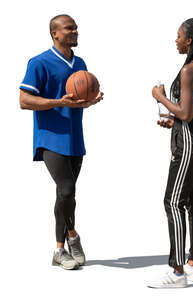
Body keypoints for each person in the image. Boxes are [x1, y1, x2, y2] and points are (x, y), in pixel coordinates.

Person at [19, 14, 103, 270]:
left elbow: (76, 101)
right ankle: (70, 237)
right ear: (54, 33)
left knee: (67, 196)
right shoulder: (39, 63)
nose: (75, 31)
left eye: (76, 27)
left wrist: (88, 102)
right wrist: (59, 102)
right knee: (66, 189)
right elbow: (24, 101)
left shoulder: (80, 63)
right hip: (49, 138)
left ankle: (61, 248)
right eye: (69, 28)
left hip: (75, 138)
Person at [149, 18, 193, 288]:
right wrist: (174, 119)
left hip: (190, 142)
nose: (175, 40)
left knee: (173, 201)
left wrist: (160, 97)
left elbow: (187, 113)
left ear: (189, 40)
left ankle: (177, 272)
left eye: (178, 36)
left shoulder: (189, 70)